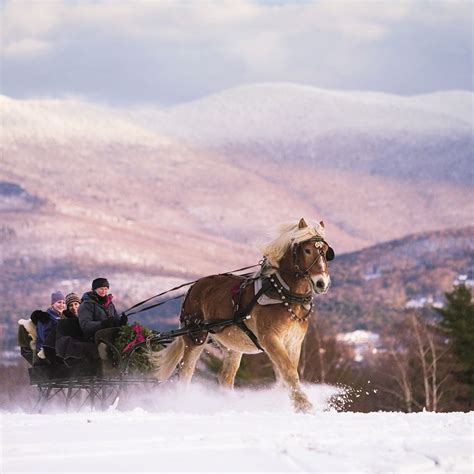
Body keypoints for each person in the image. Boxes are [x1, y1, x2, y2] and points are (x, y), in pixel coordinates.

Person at [78, 278, 127, 374]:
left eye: (106, 289)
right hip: (94, 338)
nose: (104, 291)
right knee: (105, 348)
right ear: (94, 289)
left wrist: (121, 322)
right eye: (101, 289)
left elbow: (115, 319)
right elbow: (85, 325)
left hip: (110, 335)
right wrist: (102, 324)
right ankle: (108, 371)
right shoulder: (86, 305)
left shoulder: (110, 304)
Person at [35, 291, 66, 361]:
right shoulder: (45, 317)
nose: (62, 305)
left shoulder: (62, 317)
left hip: (59, 348)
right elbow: (45, 338)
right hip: (47, 350)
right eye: (59, 302)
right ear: (52, 304)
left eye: (64, 303)